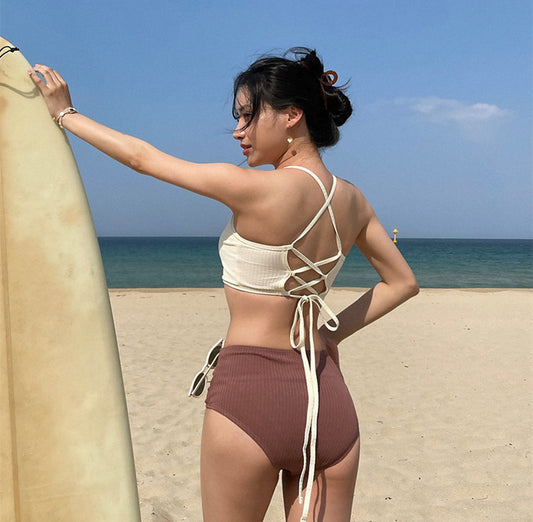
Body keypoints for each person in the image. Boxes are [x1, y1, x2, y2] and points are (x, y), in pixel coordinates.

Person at [30, 47, 419, 522]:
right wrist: (328, 335)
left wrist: (66, 114)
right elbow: (402, 283)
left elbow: (142, 159)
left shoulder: (252, 189)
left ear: (292, 115)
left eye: (248, 115)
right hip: (326, 398)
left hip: (250, 394)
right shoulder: (353, 200)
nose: (238, 130)